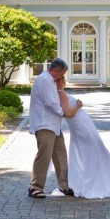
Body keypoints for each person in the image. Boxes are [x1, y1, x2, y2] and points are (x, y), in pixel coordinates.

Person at [56, 77, 110, 199]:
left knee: (97, 152)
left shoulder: (60, 93)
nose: (63, 82)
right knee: (98, 152)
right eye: (60, 80)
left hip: (83, 125)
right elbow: (68, 113)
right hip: (81, 127)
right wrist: (78, 105)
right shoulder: (61, 94)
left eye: (63, 80)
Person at [28, 58, 83, 199]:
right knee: (44, 155)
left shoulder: (51, 81)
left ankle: (64, 186)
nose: (62, 77)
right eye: (61, 73)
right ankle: (35, 187)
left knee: (60, 155)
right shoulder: (44, 80)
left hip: (54, 125)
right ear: (55, 70)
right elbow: (50, 102)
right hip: (44, 124)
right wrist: (63, 112)